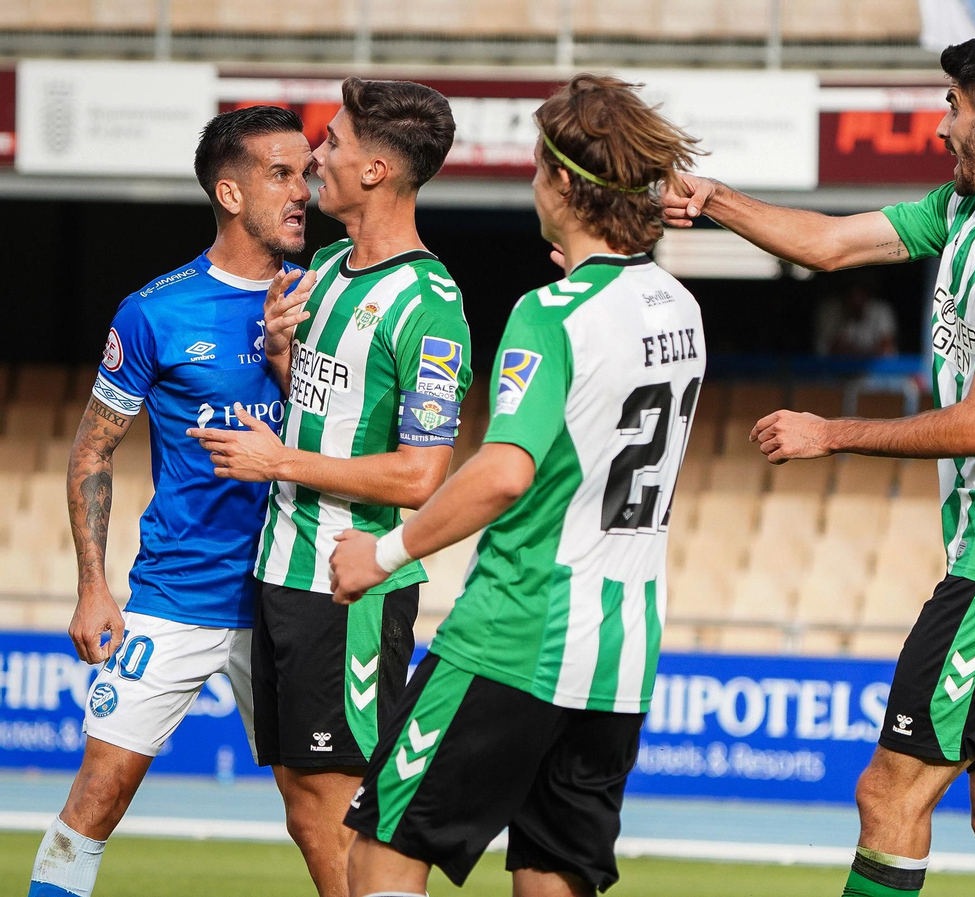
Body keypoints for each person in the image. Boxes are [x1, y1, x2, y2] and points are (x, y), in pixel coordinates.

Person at [665, 30, 975, 897]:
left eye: (951, 107)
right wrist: (717, 200)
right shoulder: (965, 216)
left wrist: (830, 433)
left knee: (888, 793)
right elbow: (833, 244)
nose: (939, 125)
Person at [327, 73, 704, 897]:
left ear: (566, 183)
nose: (532, 183)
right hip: (621, 650)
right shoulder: (680, 306)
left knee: (380, 854)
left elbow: (504, 472)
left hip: (517, 634)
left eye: (538, 167)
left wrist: (383, 554)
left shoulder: (551, 312)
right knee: (550, 879)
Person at [189, 78, 471, 897]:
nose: (317, 156)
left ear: (378, 169)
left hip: (347, 586)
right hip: (281, 569)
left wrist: (280, 463)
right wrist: (282, 356)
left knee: (343, 807)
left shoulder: (430, 304)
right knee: (303, 803)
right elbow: (322, 411)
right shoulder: (325, 272)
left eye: (336, 143)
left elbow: (423, 475)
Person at [28, 105, 311, 897]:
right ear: (229, 192)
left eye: (304, 172)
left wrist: (289, 356)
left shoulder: (326, 302)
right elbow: (92, 447)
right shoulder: (155, 310)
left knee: (320, 814)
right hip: (175, 597)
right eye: (280, 174)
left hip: (289, 595)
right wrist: (94, 585)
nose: (302, 190)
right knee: (96, 797)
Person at [816, 282, 899, 356]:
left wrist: (858, 354)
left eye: (860, 295)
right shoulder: (831, 311)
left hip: (877, 370)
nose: (855, 301)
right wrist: (845, 319)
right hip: (840, 369)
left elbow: (886, 348)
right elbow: (836, 350)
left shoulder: (881, 310)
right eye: (851, 296)